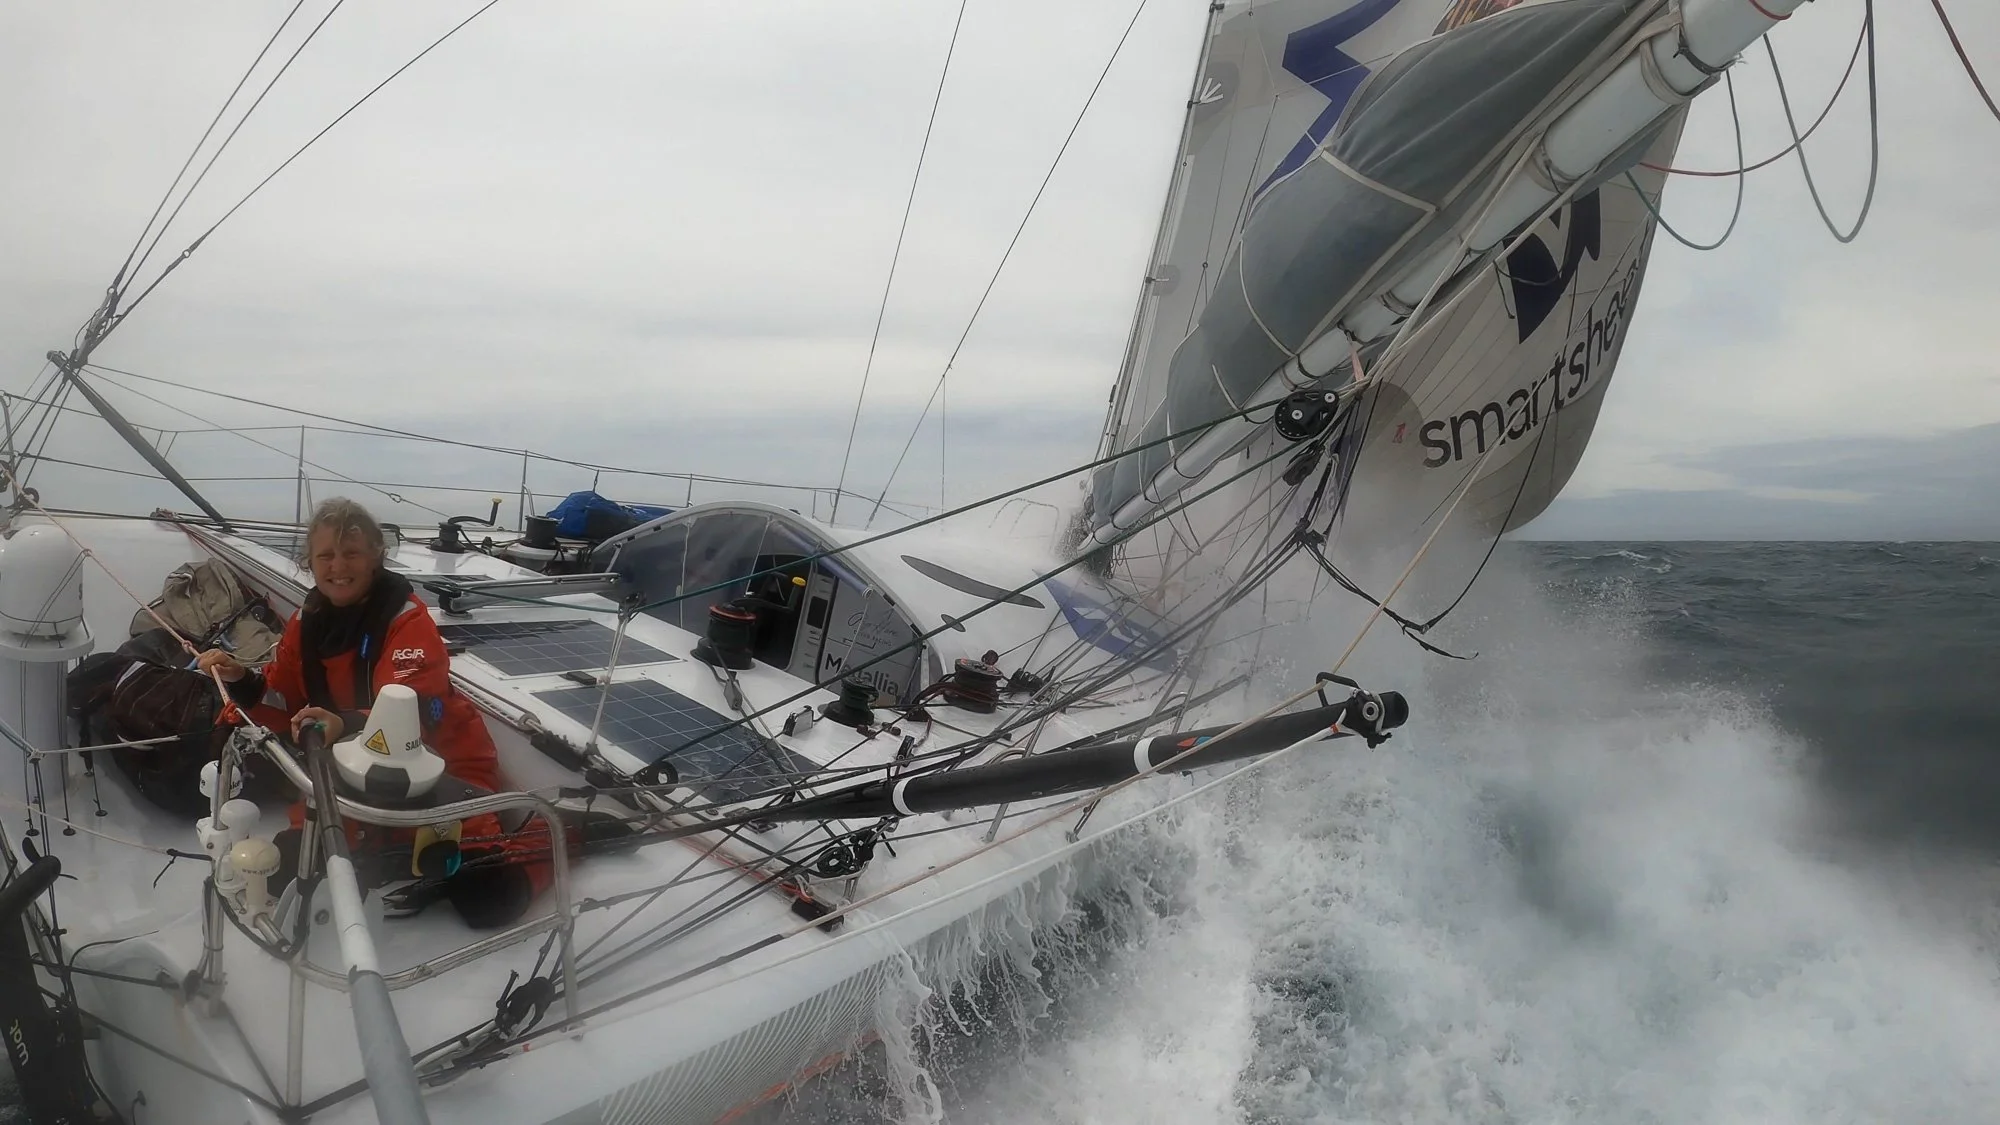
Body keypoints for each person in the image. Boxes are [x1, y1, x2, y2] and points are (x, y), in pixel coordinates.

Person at [198, 497, 541, 928]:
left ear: (376, 555)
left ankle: (559, 830)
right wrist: (240, 678)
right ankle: (376, 850)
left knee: (492, 897)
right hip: (342, 773)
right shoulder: (308, 620)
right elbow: (282, 692)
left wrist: (345, 723)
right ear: (310, 562)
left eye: (351, 553)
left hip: (440, 773)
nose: (338, 566)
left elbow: (413, 704)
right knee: (287, 874)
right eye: (326, 555)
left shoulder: (406, 619)